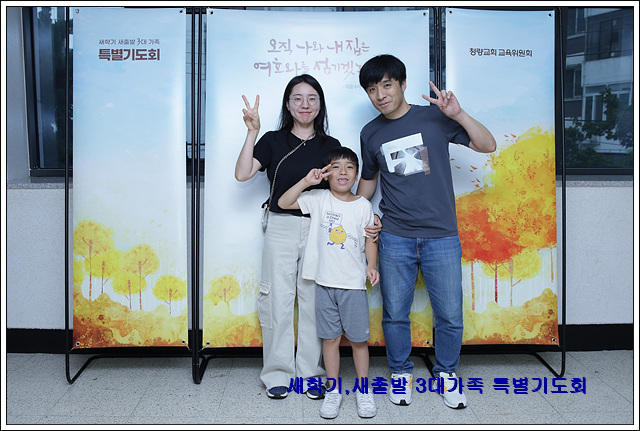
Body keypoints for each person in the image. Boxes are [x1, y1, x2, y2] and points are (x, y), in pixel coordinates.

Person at [356, 54, 496, 409]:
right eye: (372, 89)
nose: (380, 95)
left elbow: (487, 145)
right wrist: (350, 212)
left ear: (403, 84)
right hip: (395, 238)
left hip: (442, 236)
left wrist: (458, 115)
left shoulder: (434, 117)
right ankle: (400, 372)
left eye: (387, 85)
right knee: (394, 314)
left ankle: (446, 373)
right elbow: (368, 184)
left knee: (449, 314)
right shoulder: (370, 133)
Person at [235, 74, 341, 400]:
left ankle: (310, 373)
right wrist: (252, 131)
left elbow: (339, 191)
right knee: (277, 300)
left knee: (312, 301)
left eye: (312, 98)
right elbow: (242, 174)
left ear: (320, 104)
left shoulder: (331, 145)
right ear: (288, 104)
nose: (305, 104)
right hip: (280, 226)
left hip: (317, 227)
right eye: (298, 98)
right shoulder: (272, 140)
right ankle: (277, 373)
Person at [278, 147, 379, 419]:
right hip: (324, 284)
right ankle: (333, 390)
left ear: (357, 175)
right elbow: (284, 202)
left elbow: (370, 239)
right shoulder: (318, 199)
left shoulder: (363, 206)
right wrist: (306, 181)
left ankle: (363, 389)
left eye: (349, 167)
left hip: (353, 286)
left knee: (358, 340)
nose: (343, 172)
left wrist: (371, 265)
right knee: (330, 339)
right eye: (336, 167)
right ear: (326, 174)